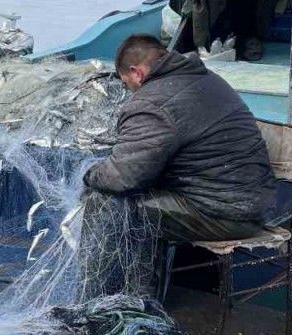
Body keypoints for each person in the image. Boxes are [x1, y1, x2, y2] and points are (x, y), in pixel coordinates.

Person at [84, 34, 275, 245]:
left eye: (126, 84)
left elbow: (124, 176)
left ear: (137, 73)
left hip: (224, 215)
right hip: (257, 205)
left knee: (105, 203)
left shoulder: (151, 103)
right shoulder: (208, 78)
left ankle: (97, 268)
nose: (128, 90)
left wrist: (89, 176)